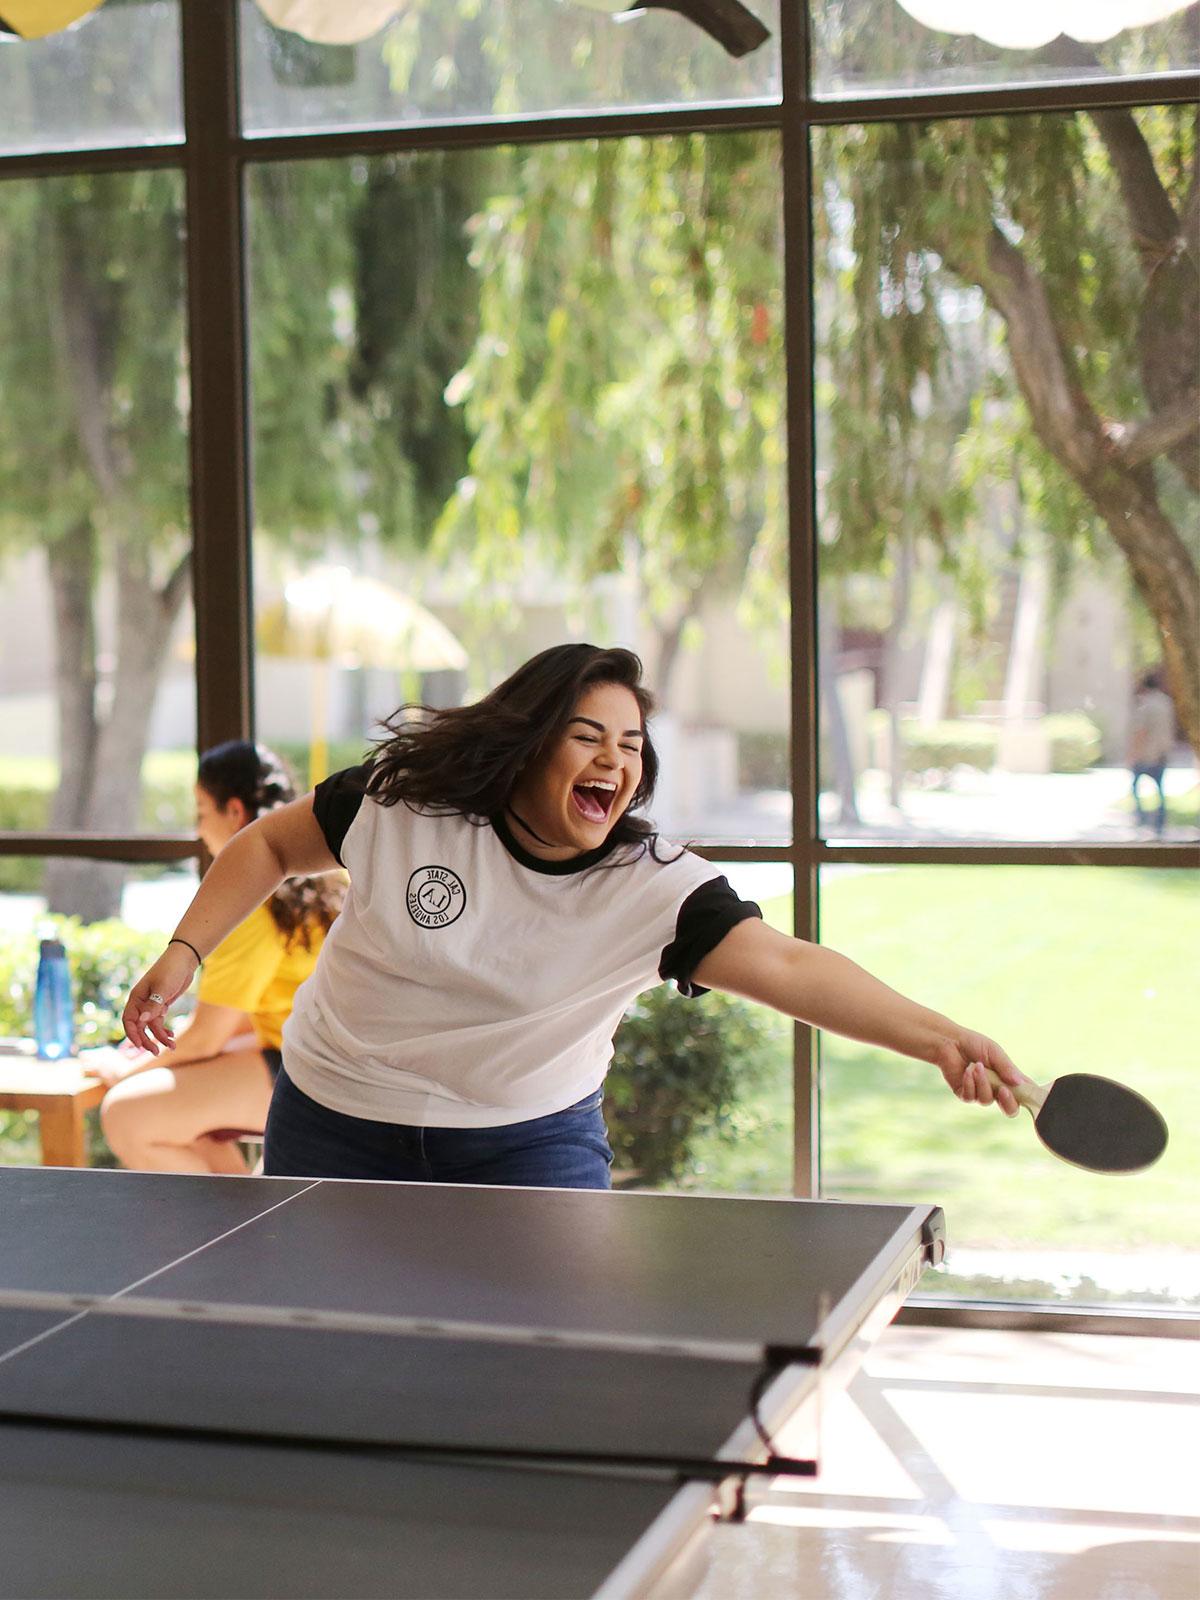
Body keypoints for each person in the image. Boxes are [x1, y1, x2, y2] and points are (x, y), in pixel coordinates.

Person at [123, 644, 1027, 1189]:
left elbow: (790, 968)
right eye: (588, 736)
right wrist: (185, 951)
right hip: (335, 1119)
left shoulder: (654, 891)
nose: (614, 760)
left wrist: (942, 1038)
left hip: (526, 1143)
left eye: (631, 745)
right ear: (526, 744)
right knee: (322, 1361)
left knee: (544, 1369)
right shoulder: (403, 806)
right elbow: (273, 846)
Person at [97, 741, 342, 1174]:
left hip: (310, 1070)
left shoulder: (250, 905)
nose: (198, 830)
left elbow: (207, 1038)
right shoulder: (326, 880)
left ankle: (237, 1238)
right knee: (188, 1113)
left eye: (201, 812)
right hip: (327, 1057)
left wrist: (122, 1069)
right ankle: (248, 1232)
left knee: (127, 1114)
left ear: (233, 811)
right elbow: (244, 1020)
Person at [1128, 668, 1174, 837]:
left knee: (1135, 787)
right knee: (1160, 789)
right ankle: (1160, 822)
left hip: (1146, 754)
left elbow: (1141, 732)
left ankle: (1141, 819)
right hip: (1162, 753)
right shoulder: (1166, 703)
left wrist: (1133, 754)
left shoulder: (1145, 705)